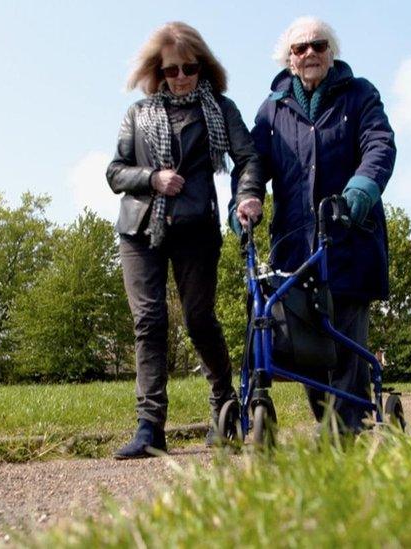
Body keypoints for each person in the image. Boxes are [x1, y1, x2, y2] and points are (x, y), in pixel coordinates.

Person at [230, 16, 396, 433]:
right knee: (308, 345)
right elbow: (254, 163)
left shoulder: (359, 94)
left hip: (348, 237)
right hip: (295, 244)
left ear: (330, 51)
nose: (310, 54)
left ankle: (345, 429)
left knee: (346, 339)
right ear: (288, 59)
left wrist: (358, 193)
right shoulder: (272, 110)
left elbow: (379, 145)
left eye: (318, 46)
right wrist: (246, 198)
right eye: (300, 48)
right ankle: (332, 424)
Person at [107, 22, 262, 459]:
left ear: (203, 67)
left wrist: (247, 195)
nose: (180, 77)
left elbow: (247, 158)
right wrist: (152, 177)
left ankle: (223, 406)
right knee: (149, 322)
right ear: (158, 71)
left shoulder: (221, 110)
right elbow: (116, 172)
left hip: (196, 227)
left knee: (199, 319)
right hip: (140, 229)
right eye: (171, 70)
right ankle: (149, 426)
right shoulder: (137, 114)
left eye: (189, 68)